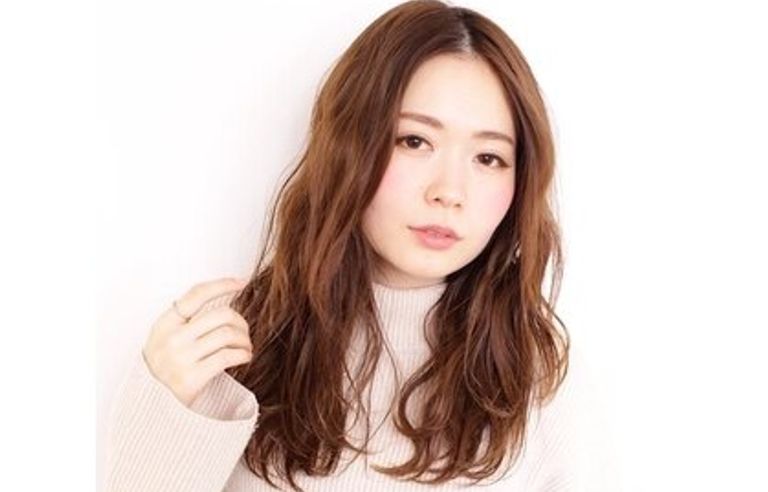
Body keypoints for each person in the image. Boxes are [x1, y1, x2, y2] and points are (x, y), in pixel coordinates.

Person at [104, 1, 610, 490]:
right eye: (414, 141)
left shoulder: (540, 377)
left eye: (488, 158)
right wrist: (162, 409)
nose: (449, 191)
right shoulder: (231, 342)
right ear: (351, 145)